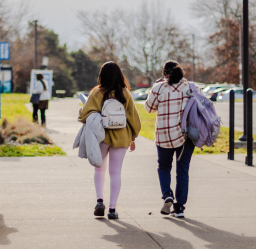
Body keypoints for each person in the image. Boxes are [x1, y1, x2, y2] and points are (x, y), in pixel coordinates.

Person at [78, 62, 141, 219]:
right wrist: (133, 136)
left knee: (100, 169)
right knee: (115, 173)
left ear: (102, 75)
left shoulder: (97, 93)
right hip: (121, 137)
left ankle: (100, 201)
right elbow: (134, 119)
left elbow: (84, 115)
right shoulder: (125, 93)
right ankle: (112, 209)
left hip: (101, 137)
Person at [144, 60, 201, 219]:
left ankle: (167, 194)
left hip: (163, 135)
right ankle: (180, 208)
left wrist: (154, 89)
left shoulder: (159, 88)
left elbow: (148, 108)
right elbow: (202, 103)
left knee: (164, 167)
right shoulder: (191, 87)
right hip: (185, 136)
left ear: (165, 74)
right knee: (182, 170)